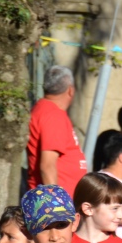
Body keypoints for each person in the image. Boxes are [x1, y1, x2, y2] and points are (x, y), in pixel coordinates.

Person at [26, 65, 88, 194]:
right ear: (70, 90)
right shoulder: (52, 115)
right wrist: (56, 205)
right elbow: (47, 166)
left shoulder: (47, 110)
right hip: (54, 206)